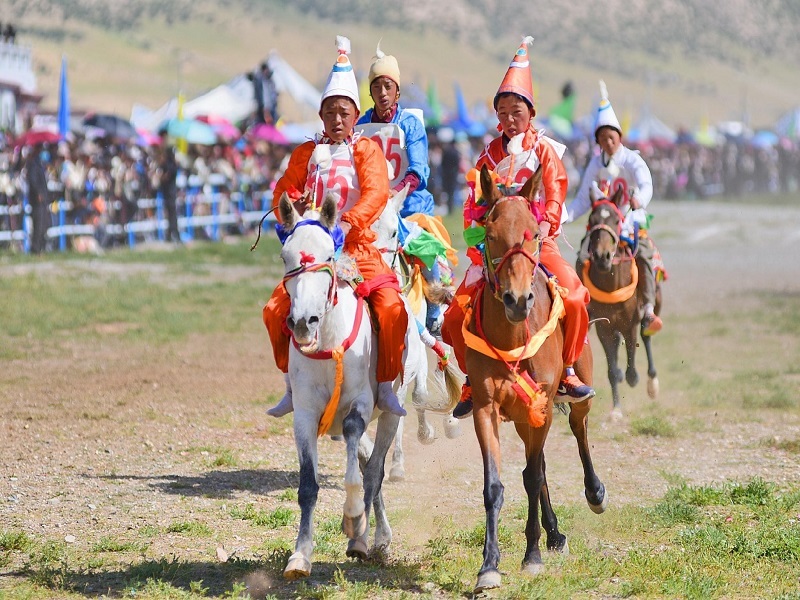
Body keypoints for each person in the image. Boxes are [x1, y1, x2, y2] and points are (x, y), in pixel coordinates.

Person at [441, 36, 595, 419]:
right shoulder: (488, 155)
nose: (510, 119)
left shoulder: (545, 151)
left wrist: (541, 229)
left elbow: (556, 194)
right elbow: (473, 201)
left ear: (530, 112)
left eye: (517, 111)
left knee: (575, 298)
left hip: (539, 248)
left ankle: (568, 370)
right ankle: (471, 380)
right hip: (494, 253)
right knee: (454, 317)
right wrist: (477, 238)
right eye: (504, 111)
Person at [263, 35, 408, 418]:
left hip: (358, 249)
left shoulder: (365, 150)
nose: (338, 119)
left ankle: (384, 384)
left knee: (392, 309)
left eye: (345, 112)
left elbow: (377, 193)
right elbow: (283, 191)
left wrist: (346, 222)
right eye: (331, 112)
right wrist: (291, 212)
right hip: (313, 254)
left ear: (355, 114)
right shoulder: (305, 153)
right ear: (321, 115)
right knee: (275, 309)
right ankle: (293, 385)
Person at [356, 42, 449, 336]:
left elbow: (419, 168)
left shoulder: (410, 123)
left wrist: (400, 191)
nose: (382, 93)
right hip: (374, 205)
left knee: (426, 245)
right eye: (376, 87)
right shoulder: (360, 125)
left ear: (397, 91)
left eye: (387, 86)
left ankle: (434, 309)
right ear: (370, 92)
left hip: (410, 205)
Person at [565, 80, 662, 336]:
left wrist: (640, 198)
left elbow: (646, 183)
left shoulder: (632, 159)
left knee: (644, 254)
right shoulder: (595, 164)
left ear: (619, 136)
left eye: (611, 136)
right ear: (597, 141)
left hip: (629, 220)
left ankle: (649, 308)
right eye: (602, 138)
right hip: (603, 223)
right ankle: (585, 307)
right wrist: (562, 216)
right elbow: (583, 199)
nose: (608, 142)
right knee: (583, 256)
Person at [25, 145, 50, 254]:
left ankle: (40, 247)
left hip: (43, 200)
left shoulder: (40, 165)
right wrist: (38, 193)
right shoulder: (33, 165)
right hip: (37, 201)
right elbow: (33, 181)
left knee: (43, 225)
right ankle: (35, 249)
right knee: (38, 225)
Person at [158, 144, 180, 244]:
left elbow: (167, 175)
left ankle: (173, 233)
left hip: (171, 192)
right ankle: (170, 234)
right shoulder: (167, 163)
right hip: (168, 192)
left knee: (172, 214)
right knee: (169, 214)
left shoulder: (172, 164)